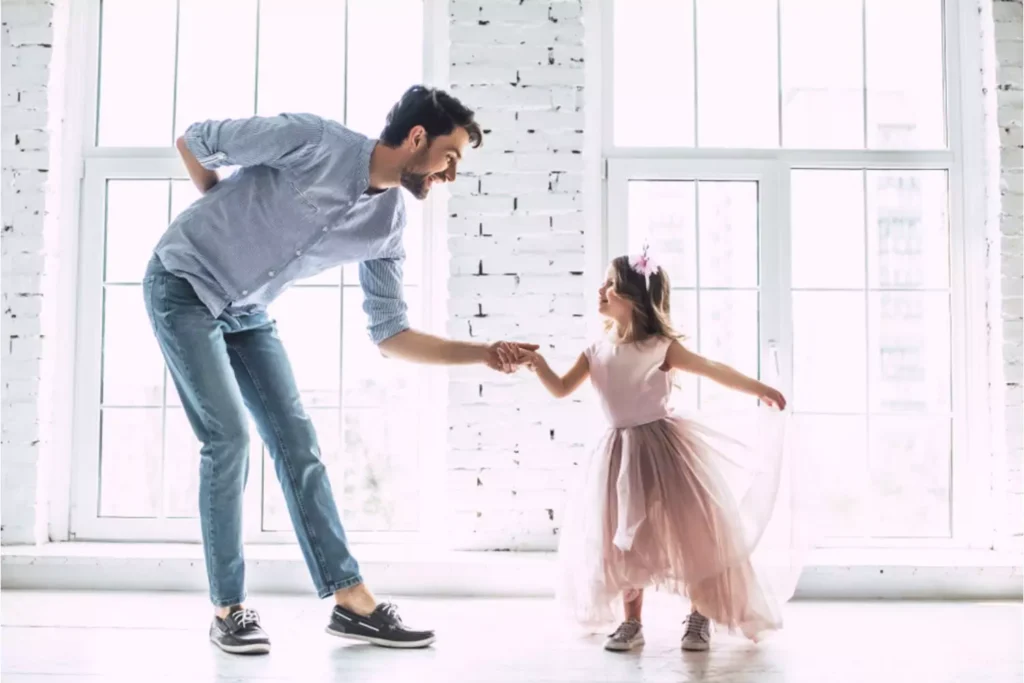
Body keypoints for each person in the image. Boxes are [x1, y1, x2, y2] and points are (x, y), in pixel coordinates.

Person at [143, 86, 532, 655]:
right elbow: (195, 141)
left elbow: (391, 335)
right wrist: (215, 209)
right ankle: (229, 609)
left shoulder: (387, 226)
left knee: (298, 443)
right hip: (182, 284)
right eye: (450, 157)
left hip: (246, 311)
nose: (451, 173)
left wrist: (483, 352)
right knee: (228, 438)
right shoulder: (313, 140)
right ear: (418, 138)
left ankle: (352, 604)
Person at [514, 248, 790, 652]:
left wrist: (761, 388)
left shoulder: (661, 347)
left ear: (634, 296)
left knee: (693, 532)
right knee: (625, 536)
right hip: (618, 455)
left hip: (665, 451)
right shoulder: (595, 352)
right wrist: (534, 362)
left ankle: (700, 615)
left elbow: (714, 369)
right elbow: (559, 388)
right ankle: (632, 622)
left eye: (610, 283)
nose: (601, 289)